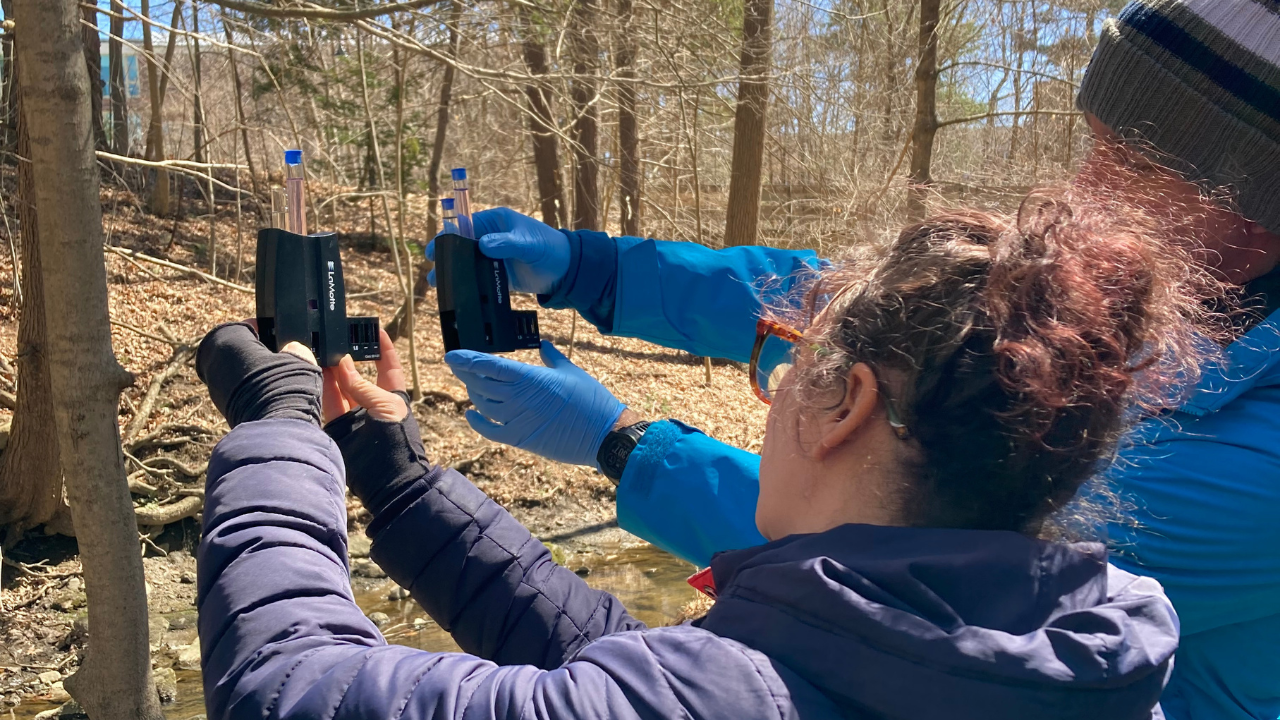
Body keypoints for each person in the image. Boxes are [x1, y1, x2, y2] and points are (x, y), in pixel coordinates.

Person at [438, 2, 1280, 717]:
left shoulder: (1264, 469)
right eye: (1095, 139)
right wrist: (597, 269)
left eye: (1132, 163)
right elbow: (866, 304)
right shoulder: (1176, 285)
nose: (1085, 182)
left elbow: (890, 558)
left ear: (1257, 206)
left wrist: (619, 443)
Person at [196, 189, 1205, 719]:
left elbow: (286, 687)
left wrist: (278, 430)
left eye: (781, 362)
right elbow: (615, 665)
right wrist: (397, 479)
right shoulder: (1088, 668)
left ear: (842, 405)